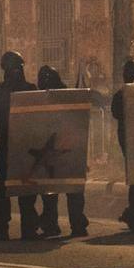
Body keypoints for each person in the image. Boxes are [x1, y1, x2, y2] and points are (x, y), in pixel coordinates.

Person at [0, 50, 38, 240]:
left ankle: (6, 228)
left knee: (10, 188)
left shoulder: (0, 90)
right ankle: (23, 228)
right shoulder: (26, 88)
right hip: (17, 145)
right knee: (13, 188)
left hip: (13, 145)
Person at [35, 65, 88, 237]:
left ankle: (54, 224)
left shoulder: (50, 98)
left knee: (57, 191)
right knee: (61, 190)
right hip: (62, 150)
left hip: (62, 149)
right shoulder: (64, 97)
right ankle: (75, 225)